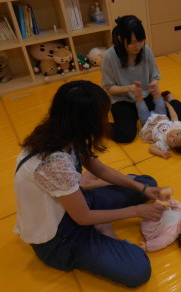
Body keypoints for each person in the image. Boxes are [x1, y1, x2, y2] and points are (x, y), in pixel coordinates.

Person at [13, 80, 169, 288]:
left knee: (146, 182)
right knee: (138, 270)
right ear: (87, 121)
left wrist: (142, 189)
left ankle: (87, 190)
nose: (106, 119)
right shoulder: (52, 162)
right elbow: (83, 217)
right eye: (103, 114)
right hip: (60, 238)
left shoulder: (65, 132)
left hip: (75, 203)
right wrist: (136, 211)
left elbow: (100, 169)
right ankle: (102, 223)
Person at [101, 15, 181, 143]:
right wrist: (129, 89)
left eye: (141, 40)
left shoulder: (145, 50)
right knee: (126, 135)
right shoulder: (110, 57)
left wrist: (154, 85)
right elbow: (110, 89)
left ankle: (168, 97)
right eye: (132, 42)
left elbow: (154, 76)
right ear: (120, 39)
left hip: (146, 96)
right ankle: (95, 126)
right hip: (123, 101)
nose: (138, 46)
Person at [134, 80, 181, 159]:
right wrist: (170, 107)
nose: (173, 135)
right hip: (161, 116)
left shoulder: (164, 144)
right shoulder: (178, 127)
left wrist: (161, 153)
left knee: (142, 108)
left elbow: (152, 148)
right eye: (177, 134)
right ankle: (154, 89)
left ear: (173, 147)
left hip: (147, 123)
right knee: (160, 103)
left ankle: (138, 94)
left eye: (174, 140)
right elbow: (174, 117)